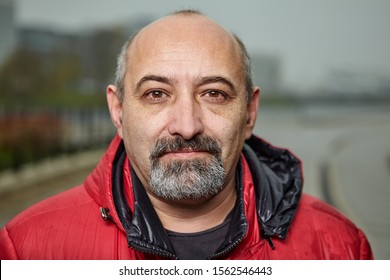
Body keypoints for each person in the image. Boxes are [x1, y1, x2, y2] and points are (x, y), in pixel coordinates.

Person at [0, 10, 373, 260]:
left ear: (249, 113)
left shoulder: (338, 246)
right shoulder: (28, 249)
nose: (187, 125)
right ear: (118, 110)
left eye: (214, 94)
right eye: (156, 94)